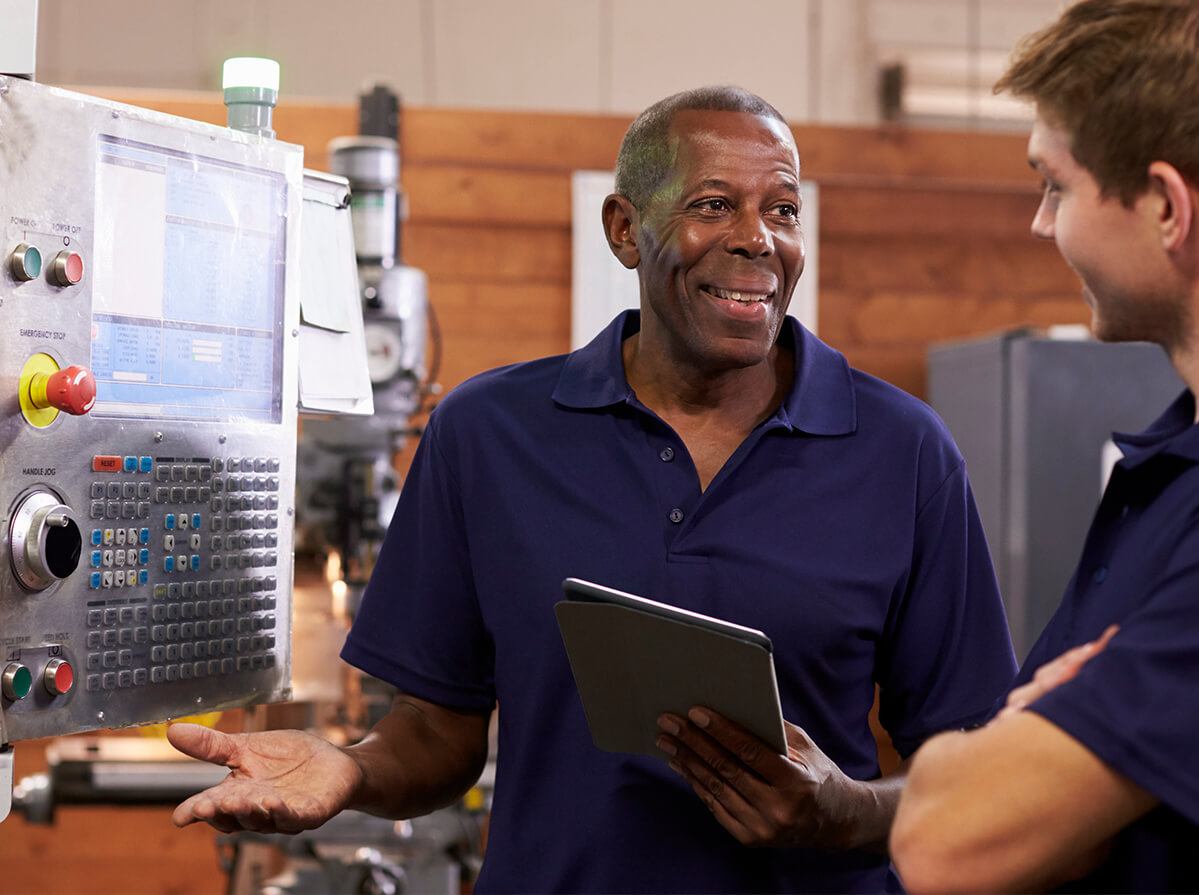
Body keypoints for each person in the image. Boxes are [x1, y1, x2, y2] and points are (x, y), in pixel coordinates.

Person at [168, 86, 1016, 893]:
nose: (758, 237)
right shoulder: (489, 433)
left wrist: (844, 813)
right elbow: (437, 732)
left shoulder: (903, 453)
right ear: (624, 229)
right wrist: (349, 766)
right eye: (713, 204)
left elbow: (980, 773)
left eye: (783, 209)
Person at [888, 1, 1199, 891]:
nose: (1039, 224)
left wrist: (1031, 740)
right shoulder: (1167, 469)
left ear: (1166, 207)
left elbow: (948, 838)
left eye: (1053, 186)